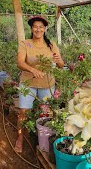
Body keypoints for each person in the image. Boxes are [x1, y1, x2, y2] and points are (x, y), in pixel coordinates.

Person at [15, 16, 65, 153]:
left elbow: (60, 65)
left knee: (45, 113)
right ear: (31, 28)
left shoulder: (51, 45)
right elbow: (20, 62)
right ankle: (20, 138)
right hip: (28, 83)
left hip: (47, 84)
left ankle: (42, 137)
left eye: (41, 27)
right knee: (23, 112)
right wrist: (33, 69)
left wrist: (60, 60)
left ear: (45, 29)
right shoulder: (25, 43)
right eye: (35, 26)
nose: (38, 29)